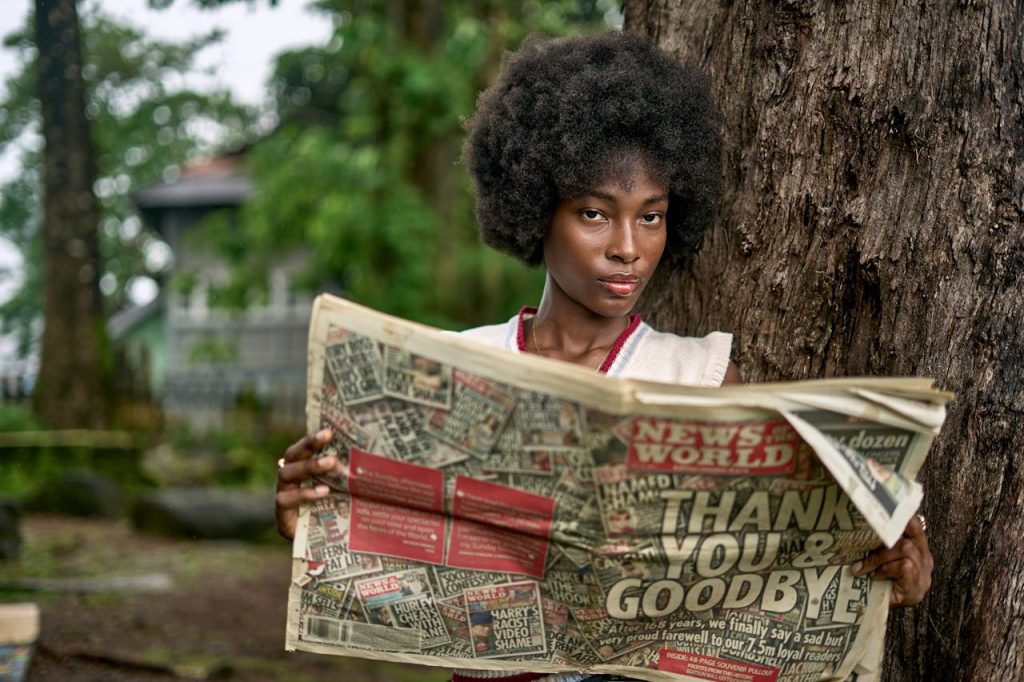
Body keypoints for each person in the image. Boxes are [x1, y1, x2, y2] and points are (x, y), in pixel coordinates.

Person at [275, 30, 932, 674]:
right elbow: (391, 561)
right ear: (537, 208)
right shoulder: (456, 363)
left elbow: (766, 571)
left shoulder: (700, 377)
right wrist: (309, 519)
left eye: (651, 215)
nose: (628, 247)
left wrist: (889, 571)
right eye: (595, 214)